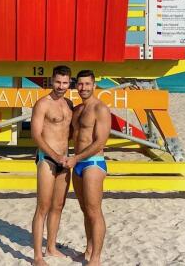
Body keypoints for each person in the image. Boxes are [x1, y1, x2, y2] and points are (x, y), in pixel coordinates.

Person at [65, 69, 111, 266]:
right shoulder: (76, 110)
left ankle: (96, 259)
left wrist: (77, 158)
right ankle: (89, 248)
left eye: (87, 84)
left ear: (94, 85)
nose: (83, 88)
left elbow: (100, 142)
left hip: (92, 163)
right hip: (77, 163)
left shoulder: (100, 108)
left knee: (94, 211)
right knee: (85, 209)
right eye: (80, 84)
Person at [30, 65, 73, 266]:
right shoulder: (42, 104)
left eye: (65, 82)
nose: (61, 86)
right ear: (51, 80)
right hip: (47, 159)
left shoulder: (69, 104)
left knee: (58, 206)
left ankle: (51, 247)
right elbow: (36, 135)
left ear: (69, 82)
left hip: (64, 160)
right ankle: (38, 257)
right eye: (57, 82)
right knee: (43, 207)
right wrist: (54, 155)